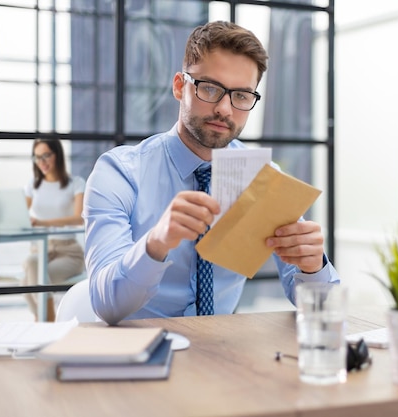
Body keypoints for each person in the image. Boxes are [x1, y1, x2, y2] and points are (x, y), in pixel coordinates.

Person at [83, 21, 340, 325]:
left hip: (223, 352)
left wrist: (312, 267)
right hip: (142, 352)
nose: (225, 109)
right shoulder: (120, 172)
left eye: (242, 95)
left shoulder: (262, 177)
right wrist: (155, 243)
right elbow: (106, 304)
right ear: (180, 86)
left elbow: (325, 312)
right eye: (210, 88)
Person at [23, 139, 86, 320]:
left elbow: (78, 218)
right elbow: (21, 214)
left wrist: (43, 222)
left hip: (68, 252)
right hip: (41, 250)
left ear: (57, 155)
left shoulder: (75, 183)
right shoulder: (33, 186)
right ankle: (47, 322)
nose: (42, 162)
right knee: (31, 265)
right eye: (37, 157)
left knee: (29, 279)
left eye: (46, 155)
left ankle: (44, 322)